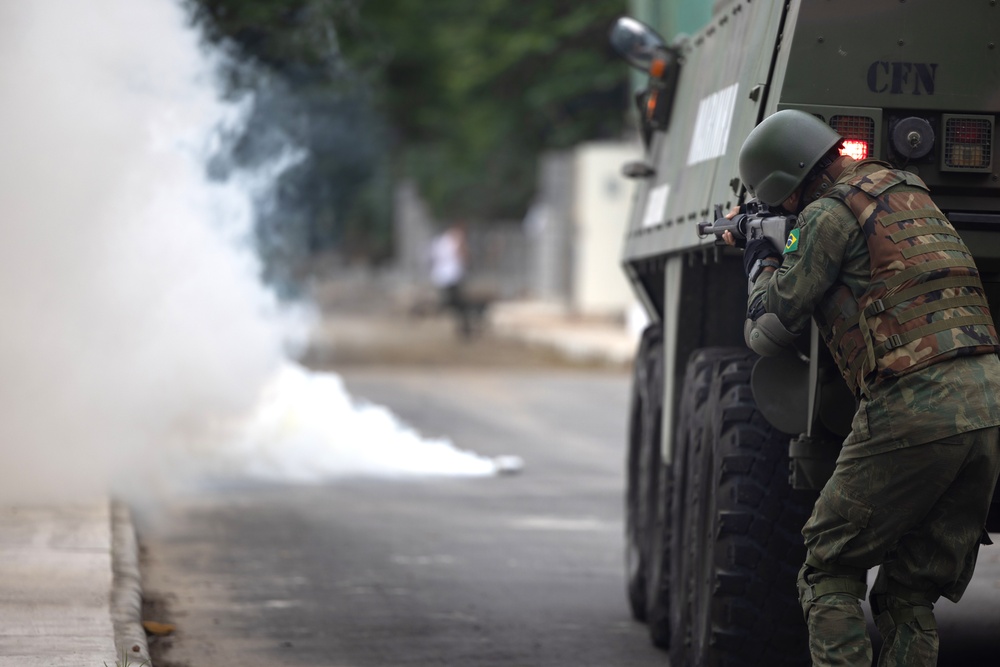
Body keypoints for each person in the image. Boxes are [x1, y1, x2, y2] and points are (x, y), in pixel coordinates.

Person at [726, 109, 1000, 666]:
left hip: (915, 404)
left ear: (785, 182)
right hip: (987, 402)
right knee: (909, 591)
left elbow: (768, 330)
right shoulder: (907, 189)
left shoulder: (824, 216)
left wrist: (758, 257)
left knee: (828, 566)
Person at [429, 221, 474, 338]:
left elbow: (433, 257)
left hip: (441, 276)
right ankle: (464, 327)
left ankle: (462, 326)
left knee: (454, 302)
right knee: (457, 303)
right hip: (453, 275)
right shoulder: (456, 239)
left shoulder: (440, 240)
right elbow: (463, 254)